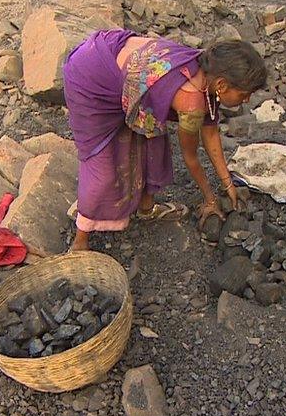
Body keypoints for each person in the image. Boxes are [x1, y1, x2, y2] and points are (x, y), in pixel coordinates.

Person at [62, 29, 267, 252]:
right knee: (101, 167)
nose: (246, 100)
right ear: (222, 85)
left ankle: (146, 209)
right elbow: (190, 157)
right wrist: (209, 198)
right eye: (244, 94)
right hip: (90, 77)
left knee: (151, 144)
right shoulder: (191, 101)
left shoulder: (207, 67)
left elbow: (210, 131)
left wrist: (227, 183)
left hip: (118, 64)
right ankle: (80, 239)